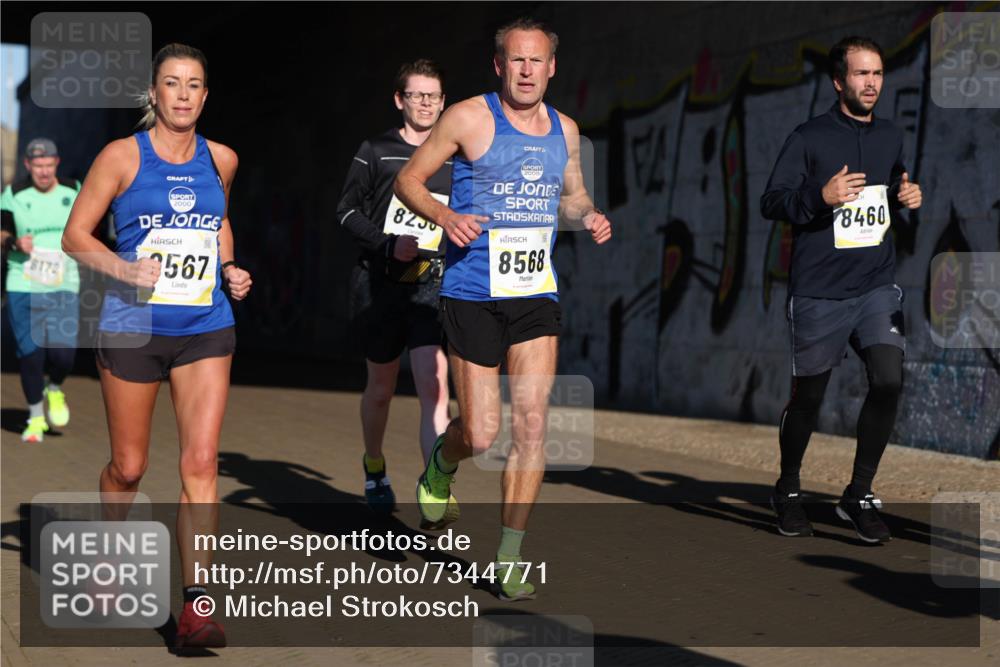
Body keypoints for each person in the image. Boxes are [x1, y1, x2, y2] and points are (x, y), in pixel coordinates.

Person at [396, 18, 612, 600]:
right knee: (484, 432)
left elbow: (572, 193)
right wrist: (445, 218)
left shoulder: (565, 129)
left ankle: (510, 555)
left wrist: (588, 214)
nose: (525, 70)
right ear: (499, 65)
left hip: (535, 292)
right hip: (472, 292)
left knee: (534, 423)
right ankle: (444, 459)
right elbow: (409, 180)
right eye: (515, 60)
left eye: (535, 61)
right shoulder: (467, 117)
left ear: (551, 68)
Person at [62, 43, 252, 649]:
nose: (183, 94)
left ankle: (197, 606)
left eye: (194, 85)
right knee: (130, 467)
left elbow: (217, 218)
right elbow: (74, 236)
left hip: (205, 326)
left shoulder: (222, 158)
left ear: (205, 95)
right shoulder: (121, 156)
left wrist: (229, 268)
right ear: (153, 93)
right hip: (132, 327)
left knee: (201, 464)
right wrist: (124, 271)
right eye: (172, 83)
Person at [761, 36, 922, 543]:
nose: (871, 83)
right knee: (809, 397)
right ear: (839, 82)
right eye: (860, 75)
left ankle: (858, 493)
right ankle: (787, 489)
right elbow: (772, 201)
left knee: (890, 378)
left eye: (876, 74)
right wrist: (820, 195)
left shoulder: (892, 135)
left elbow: (892, 188)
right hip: (819, 291)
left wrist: (905, 196)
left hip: (875, 285)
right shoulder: (808, 137)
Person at [336, 59, 452, 516]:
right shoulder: (376, 150)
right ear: (399, 100)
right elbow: (345, 211)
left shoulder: (455, 156)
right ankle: (375, 466)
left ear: (444, 103)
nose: (425, 103)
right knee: (381, 388)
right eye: (417, 95)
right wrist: (388, 244)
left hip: (429, 283)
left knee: (433, 383)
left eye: (434, 96)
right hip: (382, 284)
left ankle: (436, 486)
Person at [1, 139, 80, 442]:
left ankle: (55, 388)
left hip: (64, 282)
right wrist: (14, 243)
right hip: (24, 281)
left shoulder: (74, 190)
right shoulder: (15, 195)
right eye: (38, 167)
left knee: (63, 354)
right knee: (30, 353)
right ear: (27, 166)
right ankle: (35, 417)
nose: (44, 173)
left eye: (49, 166)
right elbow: (2, 231)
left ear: (56, 164)